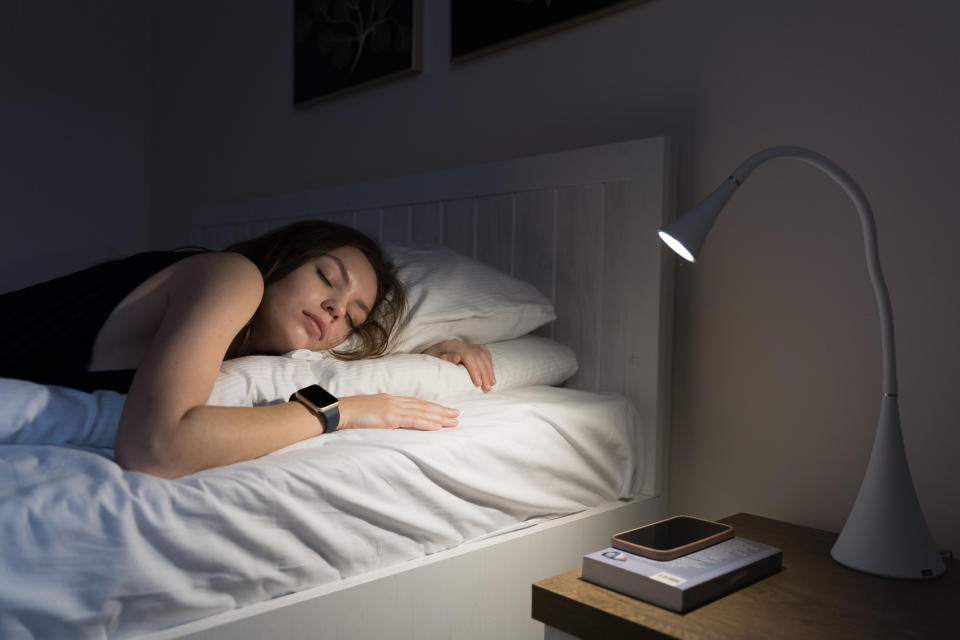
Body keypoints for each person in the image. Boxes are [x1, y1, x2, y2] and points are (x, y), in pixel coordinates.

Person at [0, 221, 495, 478]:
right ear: (283, 260)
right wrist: (338, 412)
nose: (332, 308)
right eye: (326, 277)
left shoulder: (247, 345)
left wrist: (439, 347)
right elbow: (156, 448)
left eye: (351, 316)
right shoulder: (231, 275)